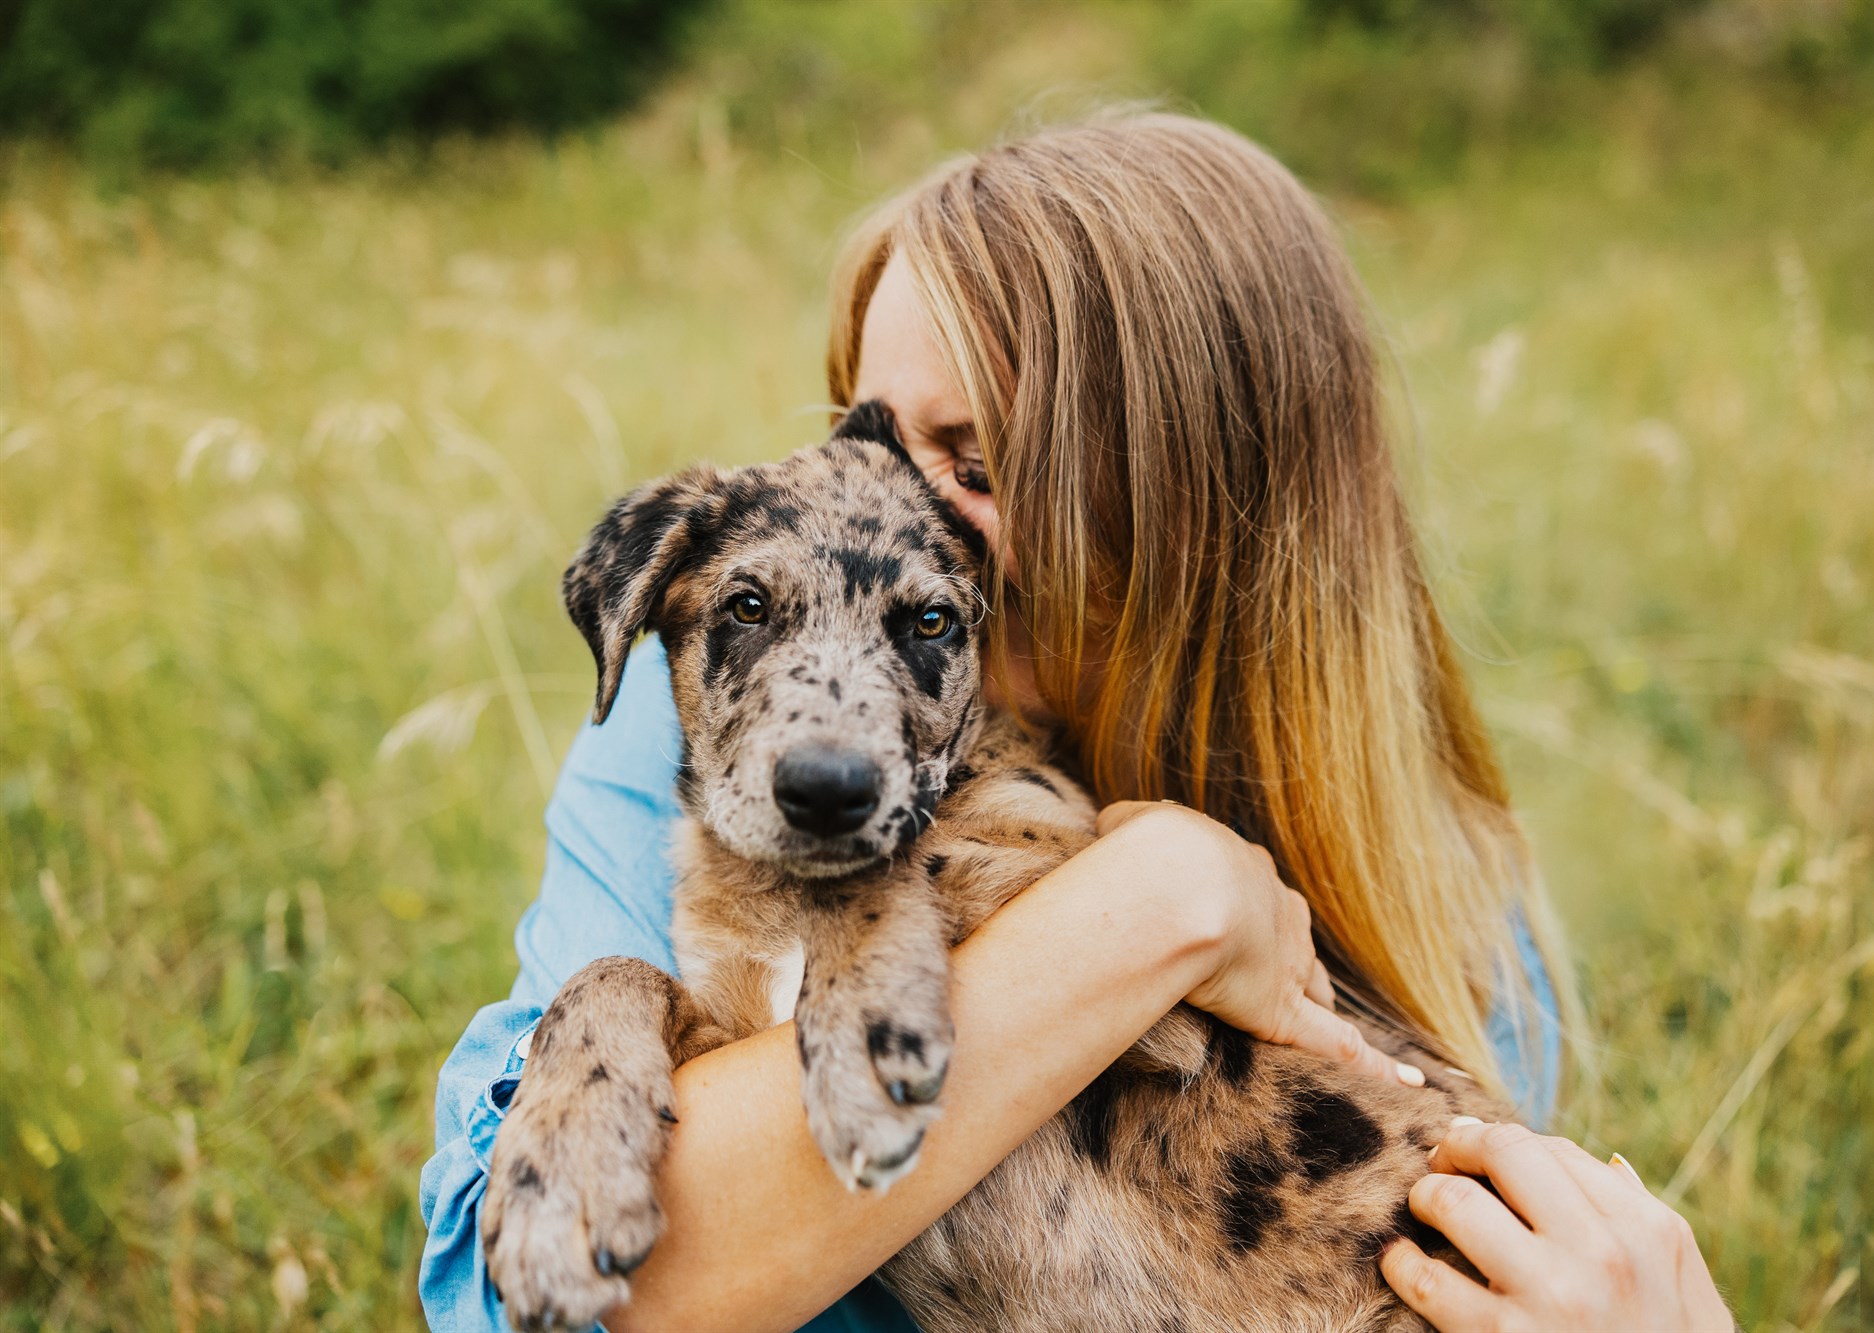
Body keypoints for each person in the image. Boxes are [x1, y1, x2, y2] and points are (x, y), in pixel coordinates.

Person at [420, 111, 1732, 1332]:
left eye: (981, 466)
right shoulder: (731, 724)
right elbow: (508, 1297)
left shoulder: (1446, 924)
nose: (886, 516)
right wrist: (1160, 902)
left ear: (1212, 510)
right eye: (864, 435)